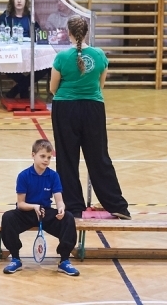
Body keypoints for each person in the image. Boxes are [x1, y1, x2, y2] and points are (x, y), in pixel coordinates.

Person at [50, 15, 130, 219]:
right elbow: (100, 86)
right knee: (99, 157)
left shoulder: (61, 57)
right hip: (93, 108)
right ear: (87, 33)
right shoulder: (100, 55)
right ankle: (117, 205)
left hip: (65, 109)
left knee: (67, 159)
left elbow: (52, 88)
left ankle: (73, 207)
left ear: (68, 32)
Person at [0, 139, 80, 277]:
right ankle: (15, 258)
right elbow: (21, 204)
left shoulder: (53, 176)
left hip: (44, 212)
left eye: (49, 157)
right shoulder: (23, 176)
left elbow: (59, 200)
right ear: (33, 155)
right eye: (42, 156)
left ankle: (64, 261)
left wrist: (61, 208)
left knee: (68, 218)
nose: (46, 160)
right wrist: (33, 206)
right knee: (8, 218)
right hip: (27, 212)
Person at [0, 0, 46, 99]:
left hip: (29, 52)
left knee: (46, 66)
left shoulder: (32, 17)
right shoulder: (4, 18)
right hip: (11, 52)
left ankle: (17, 89)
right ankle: (24, 88)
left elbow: (39, 34)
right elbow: (0, 37)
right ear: (12, 1)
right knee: (4, 64)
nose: (19, 1)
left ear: (25, 1)